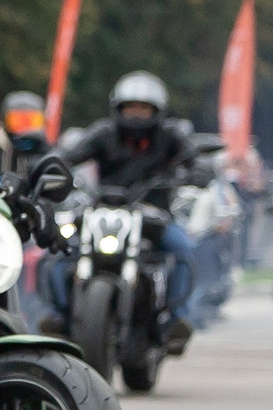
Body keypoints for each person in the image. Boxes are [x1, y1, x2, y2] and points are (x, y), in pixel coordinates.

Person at [36, 71, 206, 346]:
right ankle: (58, 314)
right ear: (118, 108)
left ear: (157, 111)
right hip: (101, 210)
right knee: (59, 246)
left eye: (143, 108)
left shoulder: (170, 136)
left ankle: (176, 319)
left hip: (153, 214)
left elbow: (193, 159)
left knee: (183, 249)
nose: (136, 114)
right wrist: (51, 168)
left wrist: (198, 172)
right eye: (131, 108)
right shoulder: (103, 133)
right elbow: (68, 157)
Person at [0, 89, 50, 179]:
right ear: (5, 121)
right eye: (18, 121)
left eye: (32, 121)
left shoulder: (47, 154)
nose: (25, 130)